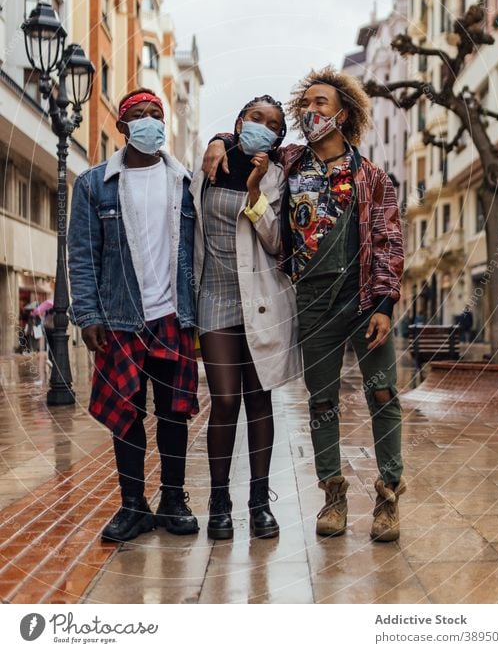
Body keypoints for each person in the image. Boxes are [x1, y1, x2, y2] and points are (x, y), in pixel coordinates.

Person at [203, 66, 405, 541]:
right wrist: (217, 138)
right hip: (311, 305)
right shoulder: (288, 164)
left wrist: (384, 306)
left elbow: (389, 241)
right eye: (306, 104)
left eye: (321, 104)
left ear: (344, 114)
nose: (310, 111)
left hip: (363, 301)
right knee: (323, 402)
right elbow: (245, 140)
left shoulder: (374, 177)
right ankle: (333, 497)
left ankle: (389, 496)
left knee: (382, 394)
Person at [68, 88, 199, 542]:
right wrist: (87, 315)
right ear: (122, 128)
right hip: (120, 318)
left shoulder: (185, 182)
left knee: (174, 413)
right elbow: (83, 255)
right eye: (138, 115)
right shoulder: (93, 184)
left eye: (155, 114)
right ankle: (132, 505)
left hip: (173, 315)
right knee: (126, 413)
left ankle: (173, 500)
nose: (149, 121)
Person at [192, 95, 301, 540]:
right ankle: (220, 500)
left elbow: (276, 242)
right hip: (214, 296)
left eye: (273, 124)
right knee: (223, 402)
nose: (263, 126)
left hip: (260, 299)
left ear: (277, 139)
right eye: (256, 117)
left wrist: (255, 189)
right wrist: (218, 141)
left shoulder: (276, 177)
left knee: (259, 401)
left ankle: (259, 502)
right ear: (238, 121)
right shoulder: (207, 164)